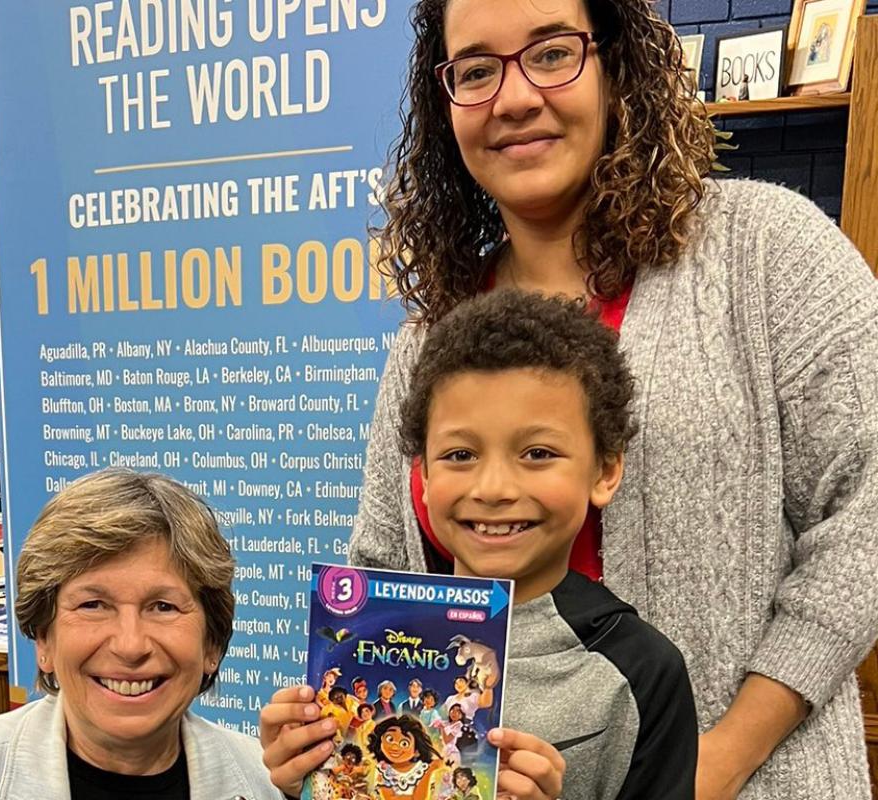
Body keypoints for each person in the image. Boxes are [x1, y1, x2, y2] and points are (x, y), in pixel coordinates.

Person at [345, 0, 878, 797]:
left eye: (552, 53)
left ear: (615, 64)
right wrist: (342, 747)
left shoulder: (766, 253)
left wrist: (716, 758)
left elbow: (867, 518)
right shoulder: (430, 339)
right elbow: (387, 574)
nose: (515, 97)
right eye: (478, 70)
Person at [261, 292, 699, 800]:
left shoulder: (639, 671)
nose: (493, 488)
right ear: (421, 477)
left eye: (537, 453)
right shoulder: (368, 640)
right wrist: (303, 782)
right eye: (460, 453)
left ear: (604, 471)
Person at [0, 468, 280, 800]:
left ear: (212, 643)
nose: (130, 646)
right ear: (44, 640)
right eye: (93, 605)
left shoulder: (272, 787)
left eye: (163, 606)